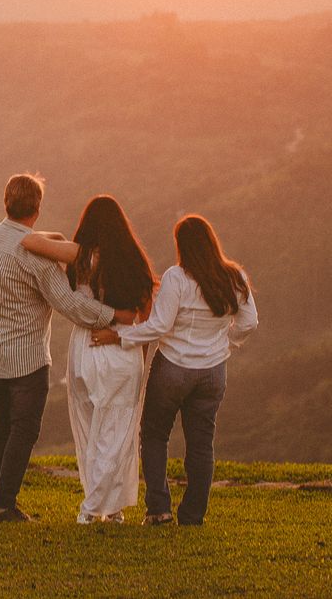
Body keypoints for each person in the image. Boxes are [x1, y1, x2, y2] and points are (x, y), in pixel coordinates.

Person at [0, 173, 140, 523]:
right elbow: (69, 304)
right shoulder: (36, 257)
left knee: (0, 424)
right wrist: (115, 315)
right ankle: (3, 503)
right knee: (24, 428)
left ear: (5, 202)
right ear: (37, 209)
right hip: (27, 359)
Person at [92, 213, 257, 525]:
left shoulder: (177, 278)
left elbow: (158, 326)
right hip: (212, 371)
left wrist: (121, 335)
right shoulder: (235, 277)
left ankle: (159, 509)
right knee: (201, 442)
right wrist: (225, 343)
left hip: (173, 368)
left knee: (154, 434)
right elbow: (250, 322)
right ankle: (193, 514)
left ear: (181, 245)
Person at [19, 195, 158, 523]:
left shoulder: (80, 256)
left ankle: (105, 507)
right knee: (118, 433)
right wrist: (138, 354)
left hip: (85, 349)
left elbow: (28, 240)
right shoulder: (134, 262)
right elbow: (146, 320)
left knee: (92, 428)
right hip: (123, 351)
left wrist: (63, 238)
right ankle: (101, 508)